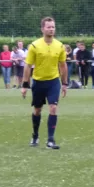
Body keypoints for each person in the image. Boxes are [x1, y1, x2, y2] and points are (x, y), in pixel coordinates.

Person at [21, 17, 67, 150]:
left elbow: (63, 66)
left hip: (53, 81)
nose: (51, 29)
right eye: (48, 27)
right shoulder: (34, 46)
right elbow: (28, 66)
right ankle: (35, 135)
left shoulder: (59, 46)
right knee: (37, 110)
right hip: (38, 82)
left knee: (53, 107)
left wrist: (64, 83)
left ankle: (51, 140)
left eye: (53, 27)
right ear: (42, 29)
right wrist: (25, 85)